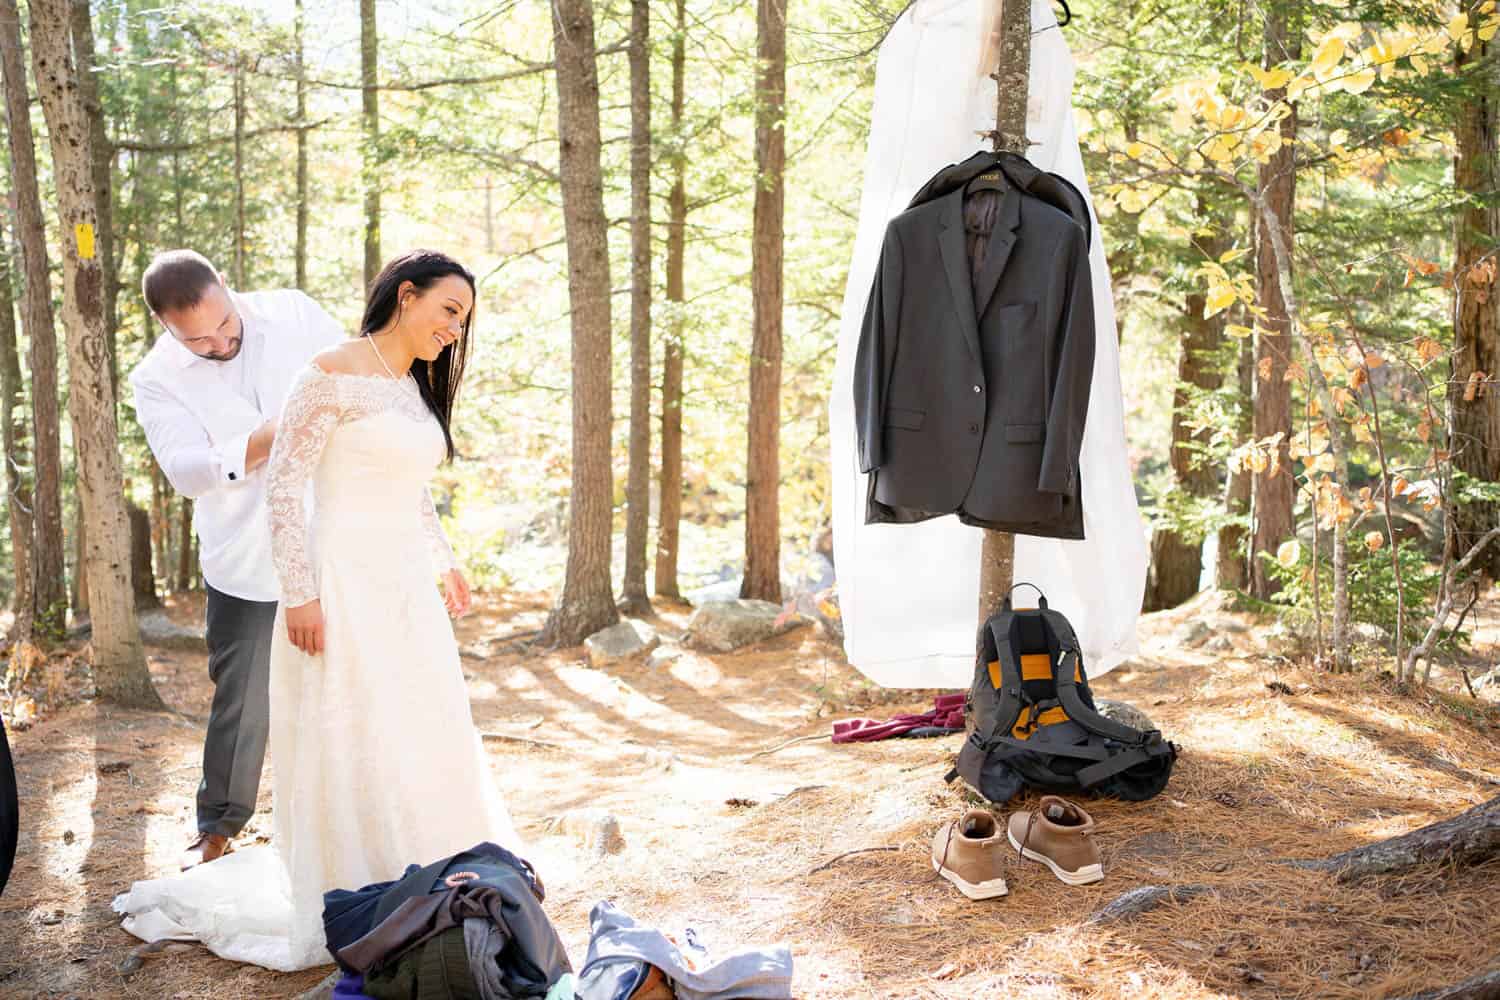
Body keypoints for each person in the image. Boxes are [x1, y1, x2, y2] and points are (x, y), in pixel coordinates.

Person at [113, 250, 519, 971]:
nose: (456, 330)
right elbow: (282, 486)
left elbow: (405, 479)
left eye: (465, 318)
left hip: (400, 582)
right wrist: (300, 594)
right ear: (405, 295)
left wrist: (443, 556)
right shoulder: (325, 374)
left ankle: (429, 857)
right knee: (336, 717)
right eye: (448, 311)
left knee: (417, 715)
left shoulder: (404, 379)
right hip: (335, 576)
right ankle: (337, 868)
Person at [130, 251, 345, 869]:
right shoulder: (157, 377)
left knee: (346, 679)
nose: (219, 342)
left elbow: (360, 381)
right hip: (244, 556)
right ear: (165, 326)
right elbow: (188, 470)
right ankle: (219, 824)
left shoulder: (295, 312)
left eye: (224, 325)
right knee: (242, 695)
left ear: (226, 284)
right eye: (197, 338)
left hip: (331, 535)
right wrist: (269, 437)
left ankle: (342, 816)